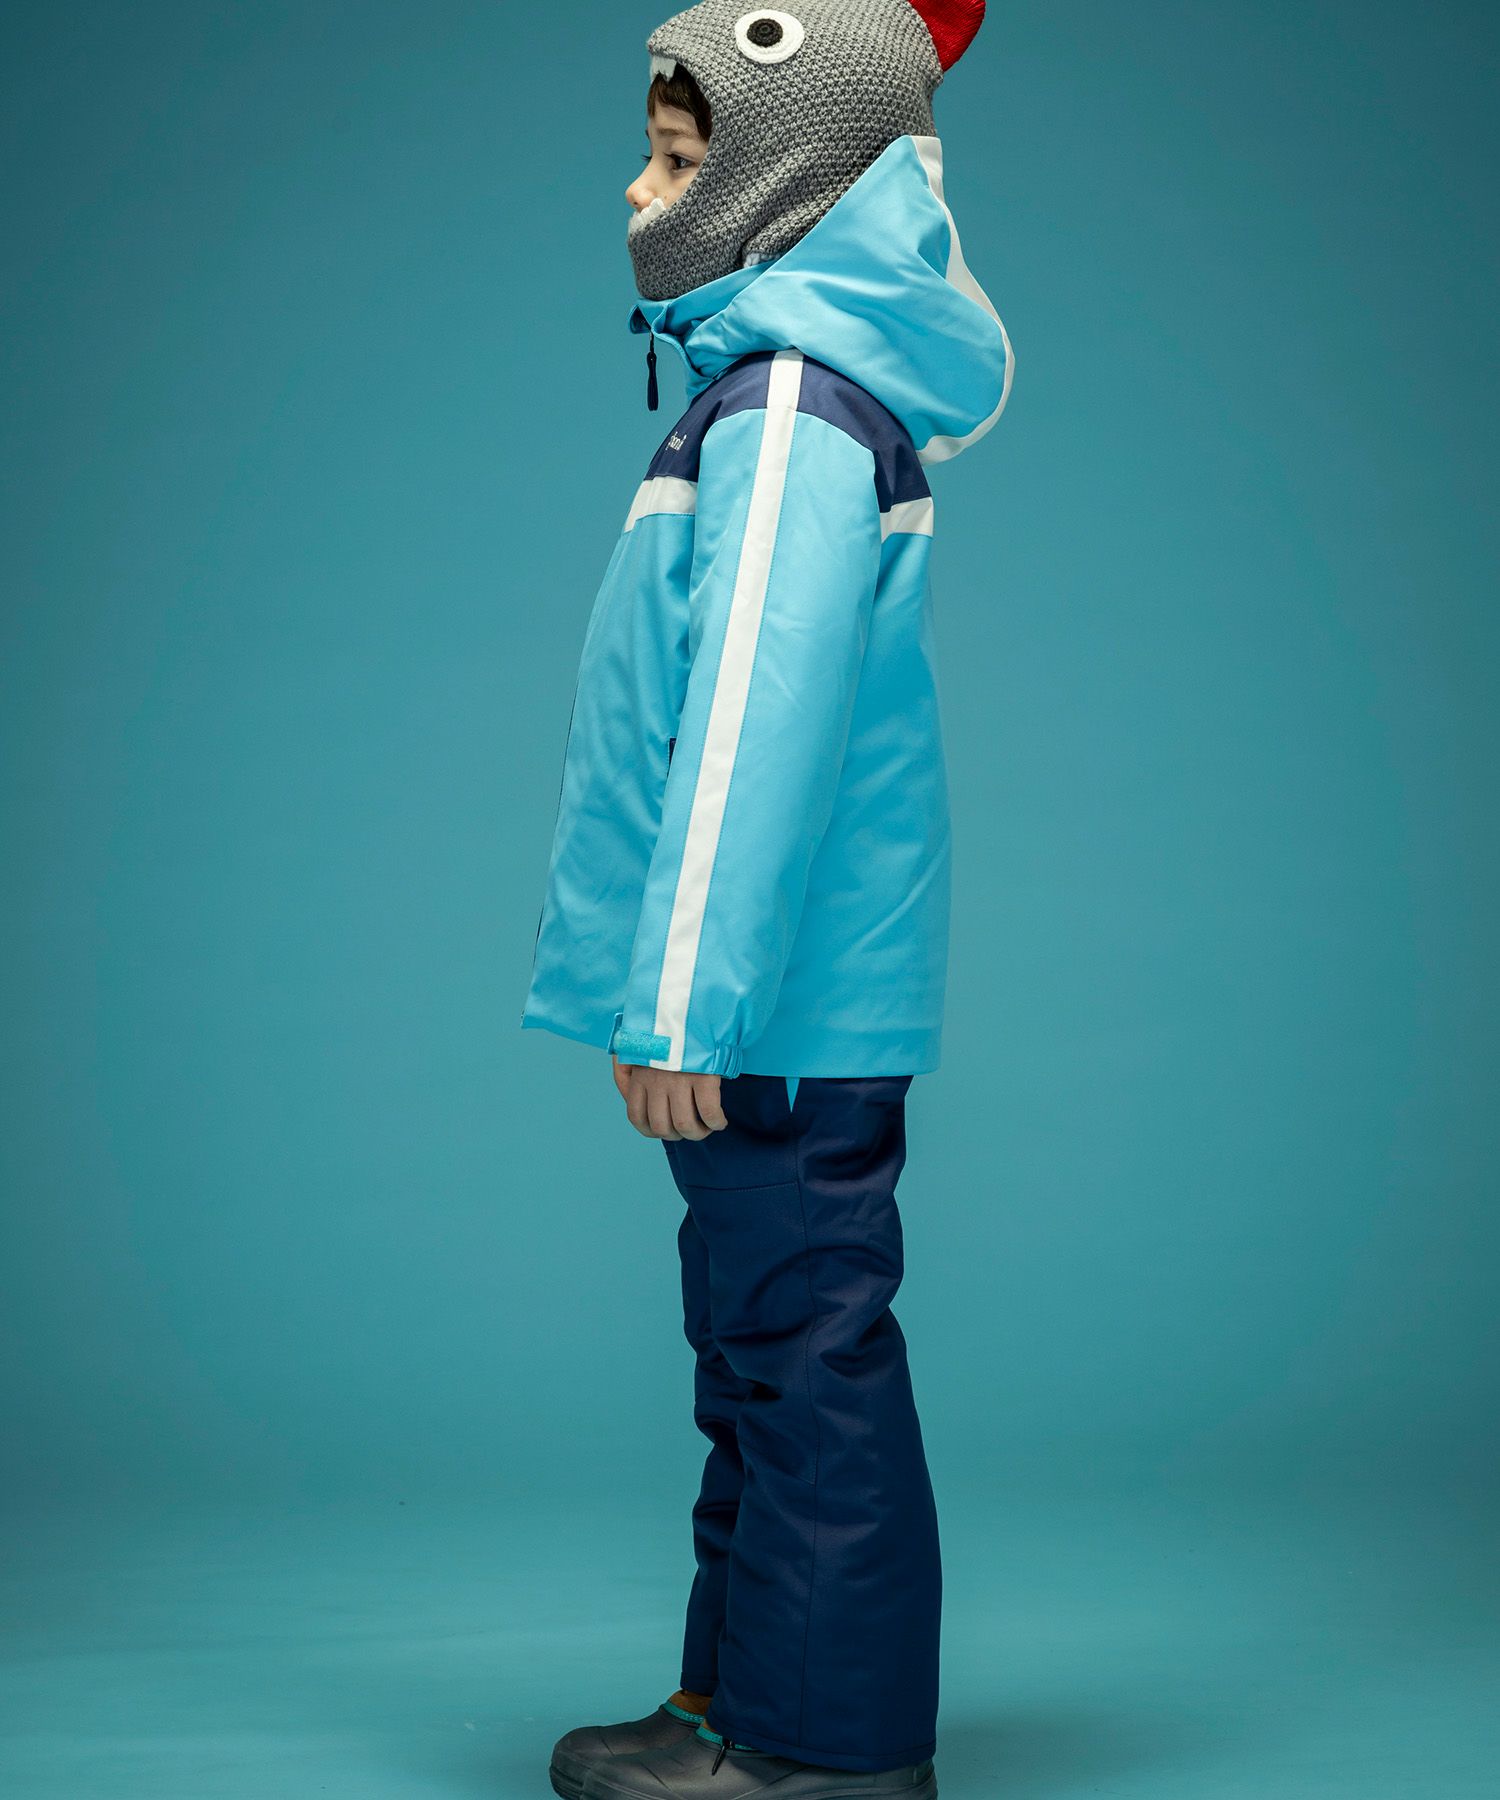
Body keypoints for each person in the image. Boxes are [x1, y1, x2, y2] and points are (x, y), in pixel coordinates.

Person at [520, 2, 1013, 1795]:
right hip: (778, 1004)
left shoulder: (792, 407)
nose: (636, 188)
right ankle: (740, 1700)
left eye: (676, 154)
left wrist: (681, 1006)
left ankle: (826, 1750)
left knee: (801, 1355)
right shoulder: (771, 391)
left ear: (781, 181)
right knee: (762, 1351)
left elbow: (750, 723)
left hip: (771, 1010)